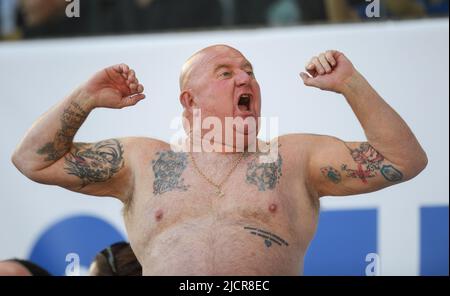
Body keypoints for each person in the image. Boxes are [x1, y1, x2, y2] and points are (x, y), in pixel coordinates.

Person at [12, 44, 428, 275]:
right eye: (225, 73)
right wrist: (85, 98)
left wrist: (350, 83)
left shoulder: (292, 157)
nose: (245, 78)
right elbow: (33, 160)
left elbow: (403, 159)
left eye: (248, 70)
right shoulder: (145, 161)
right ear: (189, 101)